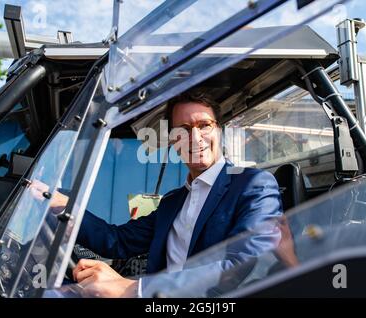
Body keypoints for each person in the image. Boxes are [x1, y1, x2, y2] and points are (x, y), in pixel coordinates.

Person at [36, 90, 283, 297]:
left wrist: (133, 288)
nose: (195, 138)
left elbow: (246, 261)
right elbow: (117, 241)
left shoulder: (254, 185)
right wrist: (65, 206)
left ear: (219, 130)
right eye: (183, 129)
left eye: (204, 125)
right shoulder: (172, 202)